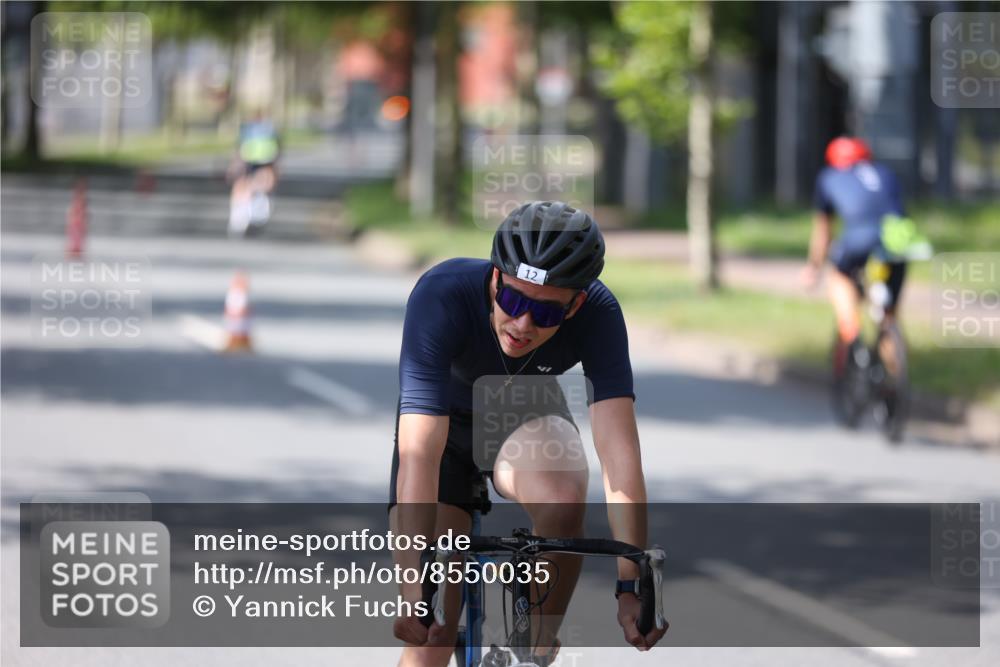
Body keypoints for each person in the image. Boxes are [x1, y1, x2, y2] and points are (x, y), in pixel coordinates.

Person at [388, 201, 667, 666]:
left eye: (546, 314)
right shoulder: (442, 294)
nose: (522, 325)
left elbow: (620, 457)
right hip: (444, 432)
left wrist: (630, 583)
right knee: (430, 641)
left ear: (575, 304)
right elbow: (419, 454)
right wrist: (416, 594)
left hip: (524, 413)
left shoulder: (598, 313)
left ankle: (537, 645)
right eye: (513, 301)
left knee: (561, 497)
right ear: (494, 279)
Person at [803, 137, 908, 375]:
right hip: (899, 243)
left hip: (858, 242)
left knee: (838, 278)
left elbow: (823, 230)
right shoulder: (885, 173)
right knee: (888, 317)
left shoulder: (828, 177)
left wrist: (813, 267)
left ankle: (851, 332)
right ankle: (895, 381)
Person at [227, 111, 281, 235]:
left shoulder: (268, 130)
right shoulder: (250, 130)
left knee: (258, 186)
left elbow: (276, 148)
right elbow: (240, 148)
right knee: (245, 187)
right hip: (251, 162)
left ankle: (255, 215)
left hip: (262, 161)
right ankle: (242, 217)